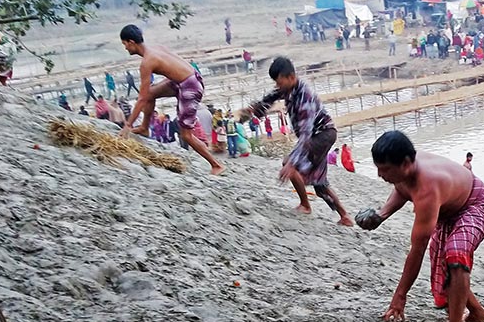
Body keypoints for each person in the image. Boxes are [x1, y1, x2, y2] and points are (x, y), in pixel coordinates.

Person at [356, 131, 484, 322]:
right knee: (445, 261)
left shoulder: (427, 186)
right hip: (449, 207)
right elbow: (401, 189)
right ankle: (477, 312)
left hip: (475, 204)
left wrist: (400, 297)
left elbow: (417, 249)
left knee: (455, 254)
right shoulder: (403, 170)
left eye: (385, 169)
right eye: (378, 168)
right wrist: (382, 215)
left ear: (407, 163)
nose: (381, 175)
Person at [241, 56, 353, 226]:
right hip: (317, 136)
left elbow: (306, 135)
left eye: (280, 82)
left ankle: (305, 205)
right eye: (276, 83)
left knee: (289, 163)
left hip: (321, 136)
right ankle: (344, 216)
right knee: (319, 183)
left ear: (291, 77)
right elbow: (271, 97)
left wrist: (292, 162)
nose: (278, 87)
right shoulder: (288, 88)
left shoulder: (305, 98)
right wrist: (255, 108)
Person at [118, 24, 225, 175]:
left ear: (131, 42)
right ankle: (144, 127)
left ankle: (216, 165)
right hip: (186, 80)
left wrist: (128, 124)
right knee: (150, 93)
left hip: (190, 87)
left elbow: (141, 99)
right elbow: (146, 94)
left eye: (125, 44)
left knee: (186, 135)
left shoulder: (147, 62)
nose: (126, 48)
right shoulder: (156, 48)